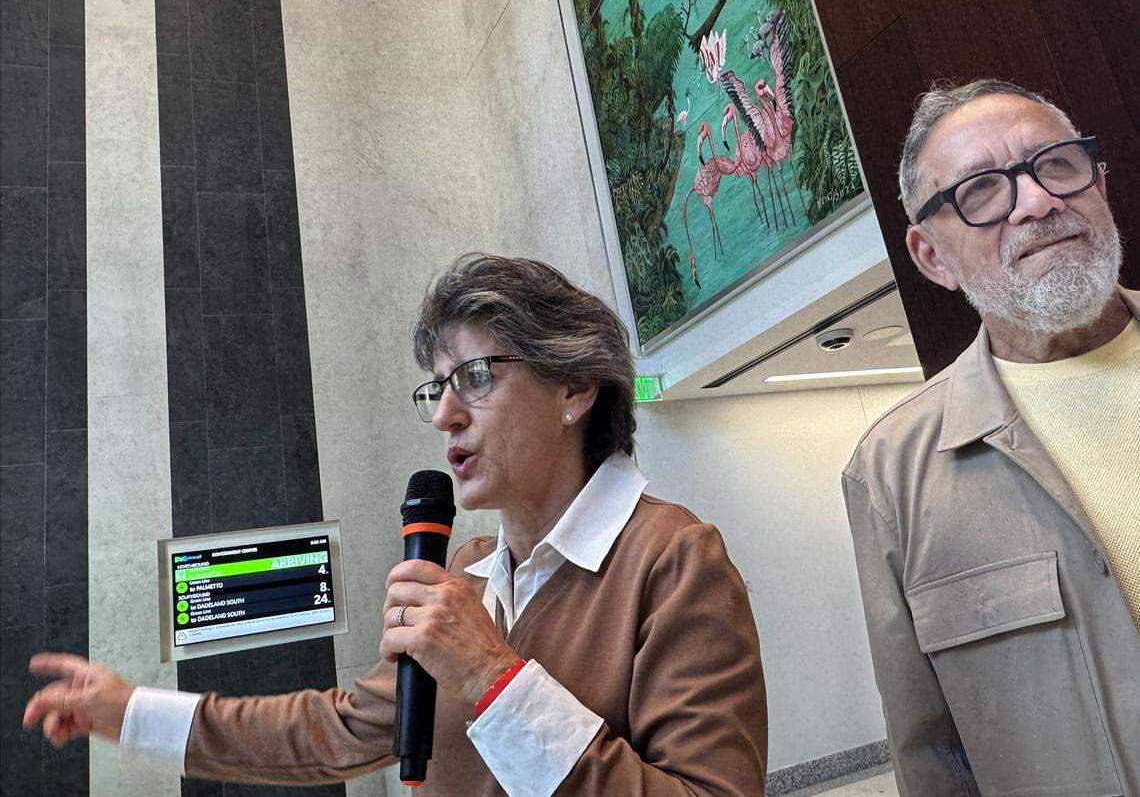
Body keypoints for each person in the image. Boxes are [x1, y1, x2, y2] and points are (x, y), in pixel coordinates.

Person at [25, 254, 768, 795]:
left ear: (574, 386)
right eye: (438, 389)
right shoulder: (467, 570)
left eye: (475, 378)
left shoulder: (673, 559)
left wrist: (488, 673)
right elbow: (332, 729)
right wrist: (130, 714)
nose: (445, 413)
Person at [844, 79, 1139, 796]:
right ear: (931, 256)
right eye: (982, 191)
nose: (1038, 201)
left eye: (1057, 164)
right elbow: (932, 751)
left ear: (1099, 182)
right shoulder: (892, 473)